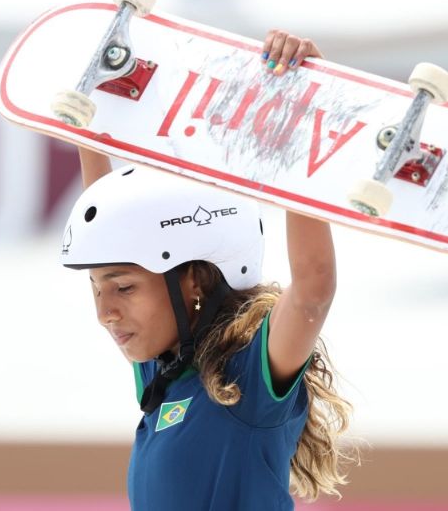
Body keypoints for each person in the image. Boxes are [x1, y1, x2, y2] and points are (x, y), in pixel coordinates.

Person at [60, 30, 353, 510]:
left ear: (193, 279)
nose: (106, 313)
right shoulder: (161, 371)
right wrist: (88, 98)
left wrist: (304, 113)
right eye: (97, 291)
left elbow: (314, 288)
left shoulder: (248, 380)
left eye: (125, 288)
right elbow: (110, 226)